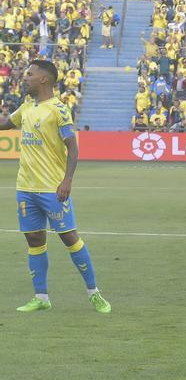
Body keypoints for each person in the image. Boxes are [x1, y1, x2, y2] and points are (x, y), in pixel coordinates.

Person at [0, 60, 111, 313]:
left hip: (52, 188)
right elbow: (7, 125)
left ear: (44, 80)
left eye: (30, 74)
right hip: (25, 187)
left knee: (70, 238)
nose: (24, 77)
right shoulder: (28, 106)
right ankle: (41, 297)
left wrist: (68, 179)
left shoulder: (58, 110)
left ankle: (94, 293)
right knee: (34, 240)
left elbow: (73, 147)